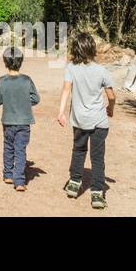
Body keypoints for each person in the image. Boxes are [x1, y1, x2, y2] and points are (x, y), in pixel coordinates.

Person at [56, 31, 116, 210]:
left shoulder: (70, 68)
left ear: (76, 49)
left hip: (79, 120)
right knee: (97, 157)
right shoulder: (102, 70)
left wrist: (61, 112)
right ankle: (97, 194)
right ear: (92, 49)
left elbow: (66, 90)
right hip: (99, 121)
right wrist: (110, 108)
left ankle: (74, 183)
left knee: (79, 150)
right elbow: (111, 96)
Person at [0, 46, 39, 191]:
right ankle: (19, 181)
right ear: (21, 62)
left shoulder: (1, 81)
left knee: (8, 147)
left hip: (7, 121)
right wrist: (25, 103)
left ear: (5, 62)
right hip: (24, 121)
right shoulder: (27, 80)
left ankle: (8, 174)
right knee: (20, 149)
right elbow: (36, 98)